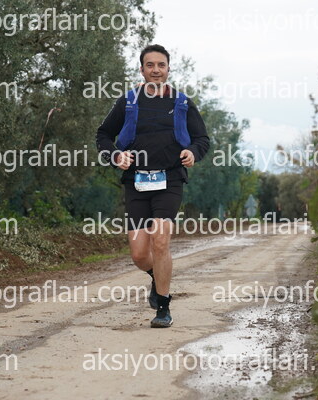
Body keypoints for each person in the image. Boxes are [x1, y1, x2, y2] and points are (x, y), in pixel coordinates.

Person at [96, 44, 209, 327]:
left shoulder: (182, 103)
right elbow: (103, 135)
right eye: (150, 65)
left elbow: (202, 139)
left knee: (160, 240)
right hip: (136, 181)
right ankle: (155, 277)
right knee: (138, 254)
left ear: (168, 69)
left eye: (161, 65)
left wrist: (193, 152)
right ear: (142, 69)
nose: (156, 70)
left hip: (170, 180)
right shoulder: (128, 102)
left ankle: (163, 307)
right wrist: (116, 156)